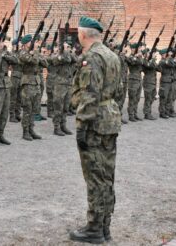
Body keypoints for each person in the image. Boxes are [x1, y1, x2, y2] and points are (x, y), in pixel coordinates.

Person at [70, 16, 122, 244]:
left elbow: (90, 93)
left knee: (94, 177)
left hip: (95, 123)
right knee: (107, 175)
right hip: (110, 119)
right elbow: (118, 90)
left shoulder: (92, 58)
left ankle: (94, 228)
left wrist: (81, 125)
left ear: (83, 34)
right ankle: (105, 226)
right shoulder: (111, 56)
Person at [18, 35, 42, 141]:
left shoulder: (33, 53)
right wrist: (35, 53)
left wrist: (35, 54)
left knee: (34, 109)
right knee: (27, 109)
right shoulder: (22, 53)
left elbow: (44, 63)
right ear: (26, 43)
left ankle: (31, 130)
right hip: (27, 83)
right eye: (31, 42)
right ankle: (25, 132)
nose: (33, 44)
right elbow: (34, 61)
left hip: (35, 83)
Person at [51, 40, 75, 136]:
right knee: (58, 107)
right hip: (59, 84)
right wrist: (64, 51)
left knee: (66, 106)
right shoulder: (56, 56)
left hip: (68, 84)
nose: (67, 48)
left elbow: (75, 59)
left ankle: (63, 125)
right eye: (65, 47)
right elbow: (66, 60)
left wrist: (69, 51)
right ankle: (56, 127)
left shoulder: (67, 55)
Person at [126, 44, 144, 121]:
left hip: (139, 79)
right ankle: (131, 115)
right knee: (132, 98)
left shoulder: (139, 57)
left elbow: (142, 64)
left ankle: (135, 113)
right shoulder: (130, 57)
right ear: (133, 49)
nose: (139, 50)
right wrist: (136, 56)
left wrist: (139, 56)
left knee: (137, 98)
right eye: (138, 48)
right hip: (133, 80)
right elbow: (132, 62)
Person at [141, 49, 158, 120]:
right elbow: (150, 66)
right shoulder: (144, 61)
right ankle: (147, 113)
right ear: (145, 54)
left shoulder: (151, 61)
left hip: (153, 82)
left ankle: (147, 110)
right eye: (148, 53)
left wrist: (154, 60)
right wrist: (153, 59)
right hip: (148, 82)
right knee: (148, 98)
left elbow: (158, 68)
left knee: (153, 96)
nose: (150, 54)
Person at [157, 49, 174, 119]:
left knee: (169, 97)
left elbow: (173, 64)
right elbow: (169, 64)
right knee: (163, 97)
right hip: (164, 82)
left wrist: (170, 58)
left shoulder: (167, 60)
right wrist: (169, 57)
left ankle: (166, 111)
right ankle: (162, 112)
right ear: (163, 55)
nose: (166, 55)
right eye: (166, 54)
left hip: (169, 81)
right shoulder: (162, 61)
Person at [9, 38, 22, 123]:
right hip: (14, 77)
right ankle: (12, 115)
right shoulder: (12, 54)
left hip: (21, 77)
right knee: (13, 97)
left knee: (19, 97)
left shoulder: (21, 53)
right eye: (19, 43)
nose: (21, 44)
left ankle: (17, 114)